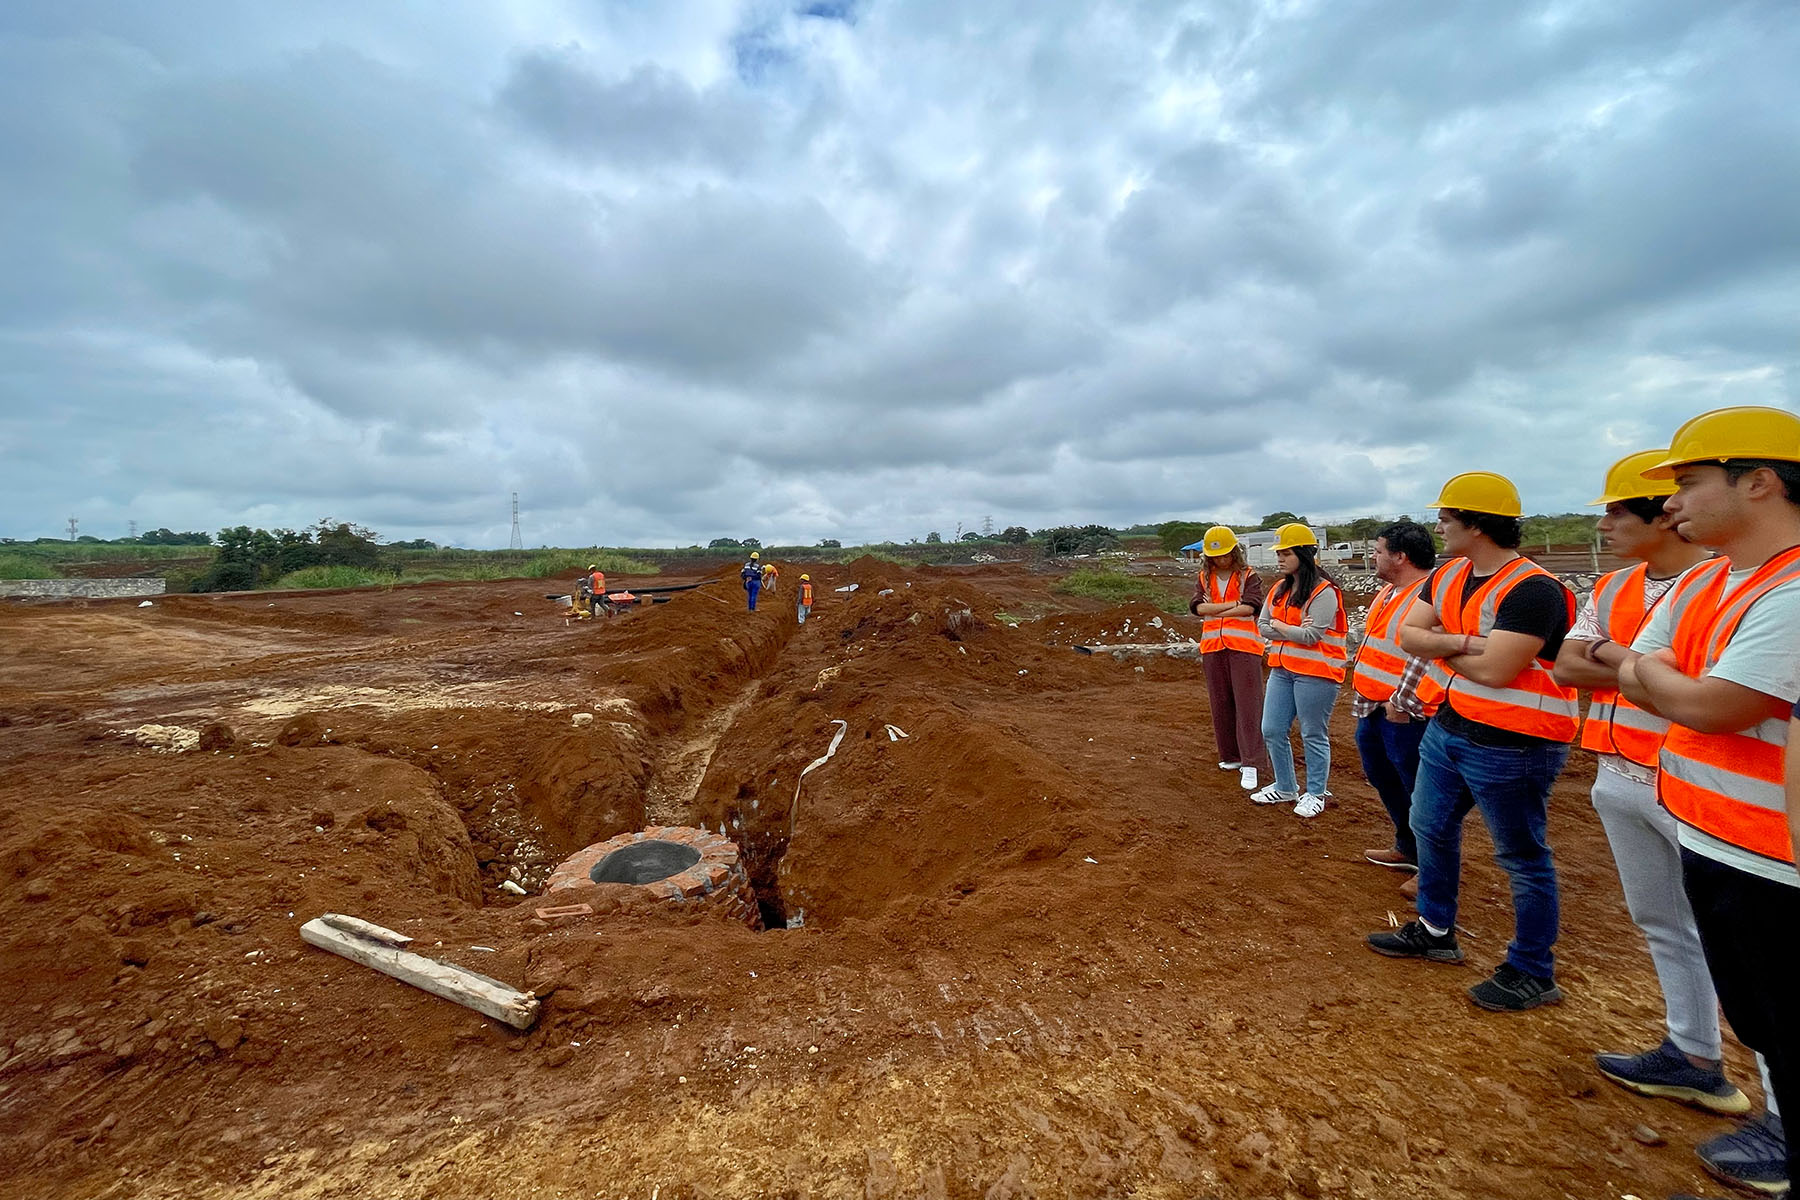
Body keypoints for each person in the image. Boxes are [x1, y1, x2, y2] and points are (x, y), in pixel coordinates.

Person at [1615, 407, 1800, 1198]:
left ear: (1758, 481)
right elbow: (1630, 665)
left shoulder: (1791, 592)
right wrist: (1667, 679)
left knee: (1783, 1011)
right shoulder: (1710, 581)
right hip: (1714, 830)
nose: (1673, 504)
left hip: (1774, 852)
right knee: (1760, 1009)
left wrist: (1663, 679)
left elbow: (1710, 706)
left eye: (1689, 482)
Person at [1549, 450, 1748, 1117]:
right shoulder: (1612, 590)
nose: (1603, 526)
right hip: (1618, 774)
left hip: (1698, 783)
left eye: (1613, 512)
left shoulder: (1725, 585)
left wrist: (1615, 656)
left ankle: (1778, 1121)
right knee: (1661, 920)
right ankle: (1694, 1053)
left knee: (1750, 953)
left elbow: (1712, 689)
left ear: (1659, 515)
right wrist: (1638, 665)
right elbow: (1568, 669)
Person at [1365, 471, 1580, 1014]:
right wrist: (1464, 644)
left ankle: (1533, 969)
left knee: (1522, 856)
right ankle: (1436, 930)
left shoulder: (1535, 590)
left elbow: (1498, 671)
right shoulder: (1452, 575)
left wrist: (1443, 648)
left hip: (1518, 743)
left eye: (1447, 518)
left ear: (1477, 524)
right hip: (1453, 727)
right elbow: (1407, 636)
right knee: (1429, 827)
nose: (1438, 526)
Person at [1347, 520, 1439, 896]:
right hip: (1374, 706)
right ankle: (1406, 845)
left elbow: (1428, 655)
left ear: (1400, 556)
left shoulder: (1429, 595)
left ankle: (1432, 869)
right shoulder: (1388, 593)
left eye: (1379, 550)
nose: (1373, 556)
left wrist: (1402, 703)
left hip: (1405, 712)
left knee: (1422, 790)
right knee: (1383, 776)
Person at [1250, 523, 1346, 819]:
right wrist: (1285, 628)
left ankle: (1315, 792)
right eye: (1279, 552)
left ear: (1303, 554)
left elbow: (1311, 636)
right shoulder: (1280, 589)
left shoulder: (1324, 592)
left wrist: (1278, 627)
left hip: (1316, 673)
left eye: (1285, 552)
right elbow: (1261, 624)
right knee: (1272, 729)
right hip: (1282, 669)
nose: (1279, 558)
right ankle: (1286, 787)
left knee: (1312, 733)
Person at [1189, 526, 1269, 792]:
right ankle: (1231, 756)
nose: (1221, 560)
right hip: (1213, 647)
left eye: (1225, 555)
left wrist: (1215, 610)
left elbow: (1251, 606)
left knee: (1248, 705)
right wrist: (1231, 607)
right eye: (1216, 556)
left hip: (1244, 647)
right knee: (1220, 702)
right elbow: (1198, 608)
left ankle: (1252, 762)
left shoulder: (1249, 576)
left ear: (1234, 552)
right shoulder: (1204, 577)